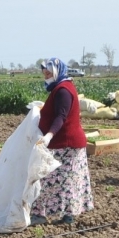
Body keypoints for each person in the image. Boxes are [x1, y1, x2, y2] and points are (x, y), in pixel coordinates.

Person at [31, 58, 94, 226]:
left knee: (47, 178)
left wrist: (49, 134)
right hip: (66, 143)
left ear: (58, 71)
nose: (46, 75)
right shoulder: (61, 88)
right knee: (67, 180)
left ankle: (42, 214)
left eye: (49, 72)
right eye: (44, 72)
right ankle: (65, 215)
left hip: (65, 144)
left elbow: (61, 116)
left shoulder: (63, 90)